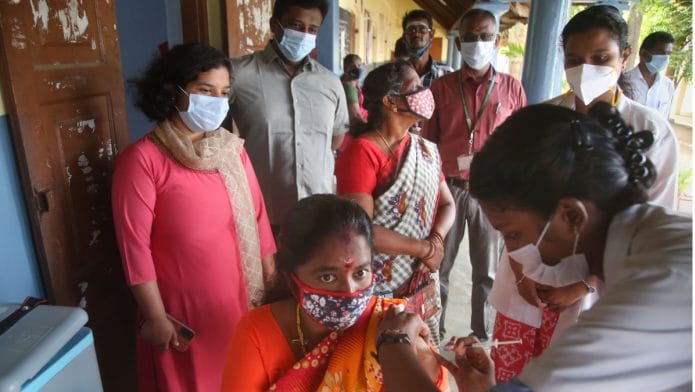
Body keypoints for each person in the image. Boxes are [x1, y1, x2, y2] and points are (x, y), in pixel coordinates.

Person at [375, 103, 692, 392]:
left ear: (571, 215)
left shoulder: (661, 285)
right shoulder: (645, 249)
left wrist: (394, 342)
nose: (512, 253)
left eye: (512, 234)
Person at [111, 43, 276, 391]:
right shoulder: (143, 160)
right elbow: (134, 247)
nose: (216, 101)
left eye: (224, 93)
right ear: (174, 90)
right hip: (183, 312)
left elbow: (259, 218)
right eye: (205, 91)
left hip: (239, 303)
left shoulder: (232, 151)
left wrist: (271, 278)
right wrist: (155, 316)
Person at [220, 194, 450, 391]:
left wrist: (395, 347)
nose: (349, 291)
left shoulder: (394, 330)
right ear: (292, 279)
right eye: (328, 277)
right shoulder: (257, 332)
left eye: (360, 273)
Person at [422, 7, 527, 342]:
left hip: (492, 193)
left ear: (496, 40)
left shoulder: (512, 89)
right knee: (438, 267)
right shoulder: (440, 89)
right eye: (469, 36)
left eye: (484, 36)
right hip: (448, 190)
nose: (476, 43)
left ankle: (481, 339)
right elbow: (426, 144)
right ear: (458, 41)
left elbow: (520, 144)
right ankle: (432, 333)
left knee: (488, 273)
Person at [335, 61, 455, 345]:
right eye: (414, 88)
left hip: (418, 281)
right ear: (390, 101)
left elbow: (448, 204)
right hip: (378, 286)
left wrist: (436, 241)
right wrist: (425, 249)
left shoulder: (423, 148)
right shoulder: (363, 152)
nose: (424, 92)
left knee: (418, 358)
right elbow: (361, 232)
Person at [229, 0, 349, 234]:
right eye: (296, 26)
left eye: (312, 29)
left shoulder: (330, 83)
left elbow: (335, 139)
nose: (305, 35)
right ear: (275, 25)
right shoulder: (239, 75)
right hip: (262, 215)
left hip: (319, 214)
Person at [548, 5, 679, 210]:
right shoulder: (544, 117)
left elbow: (657, 214)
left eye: (600, 58)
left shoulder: (653, 130)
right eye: (574, 60)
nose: (585, 69)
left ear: (624, 57)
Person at [622, 31, 676, 119]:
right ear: (644, 54)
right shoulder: (624, 81)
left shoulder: (668, 86)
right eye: (661, 53)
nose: (666, 58)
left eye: (668, 54)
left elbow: (664, 119)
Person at [401, 10, 454, 87]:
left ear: (431, 35)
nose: (416, 34)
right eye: (411, 30)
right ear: (404, 37)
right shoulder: (394, 74)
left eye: (422, 29)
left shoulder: (447, 73)